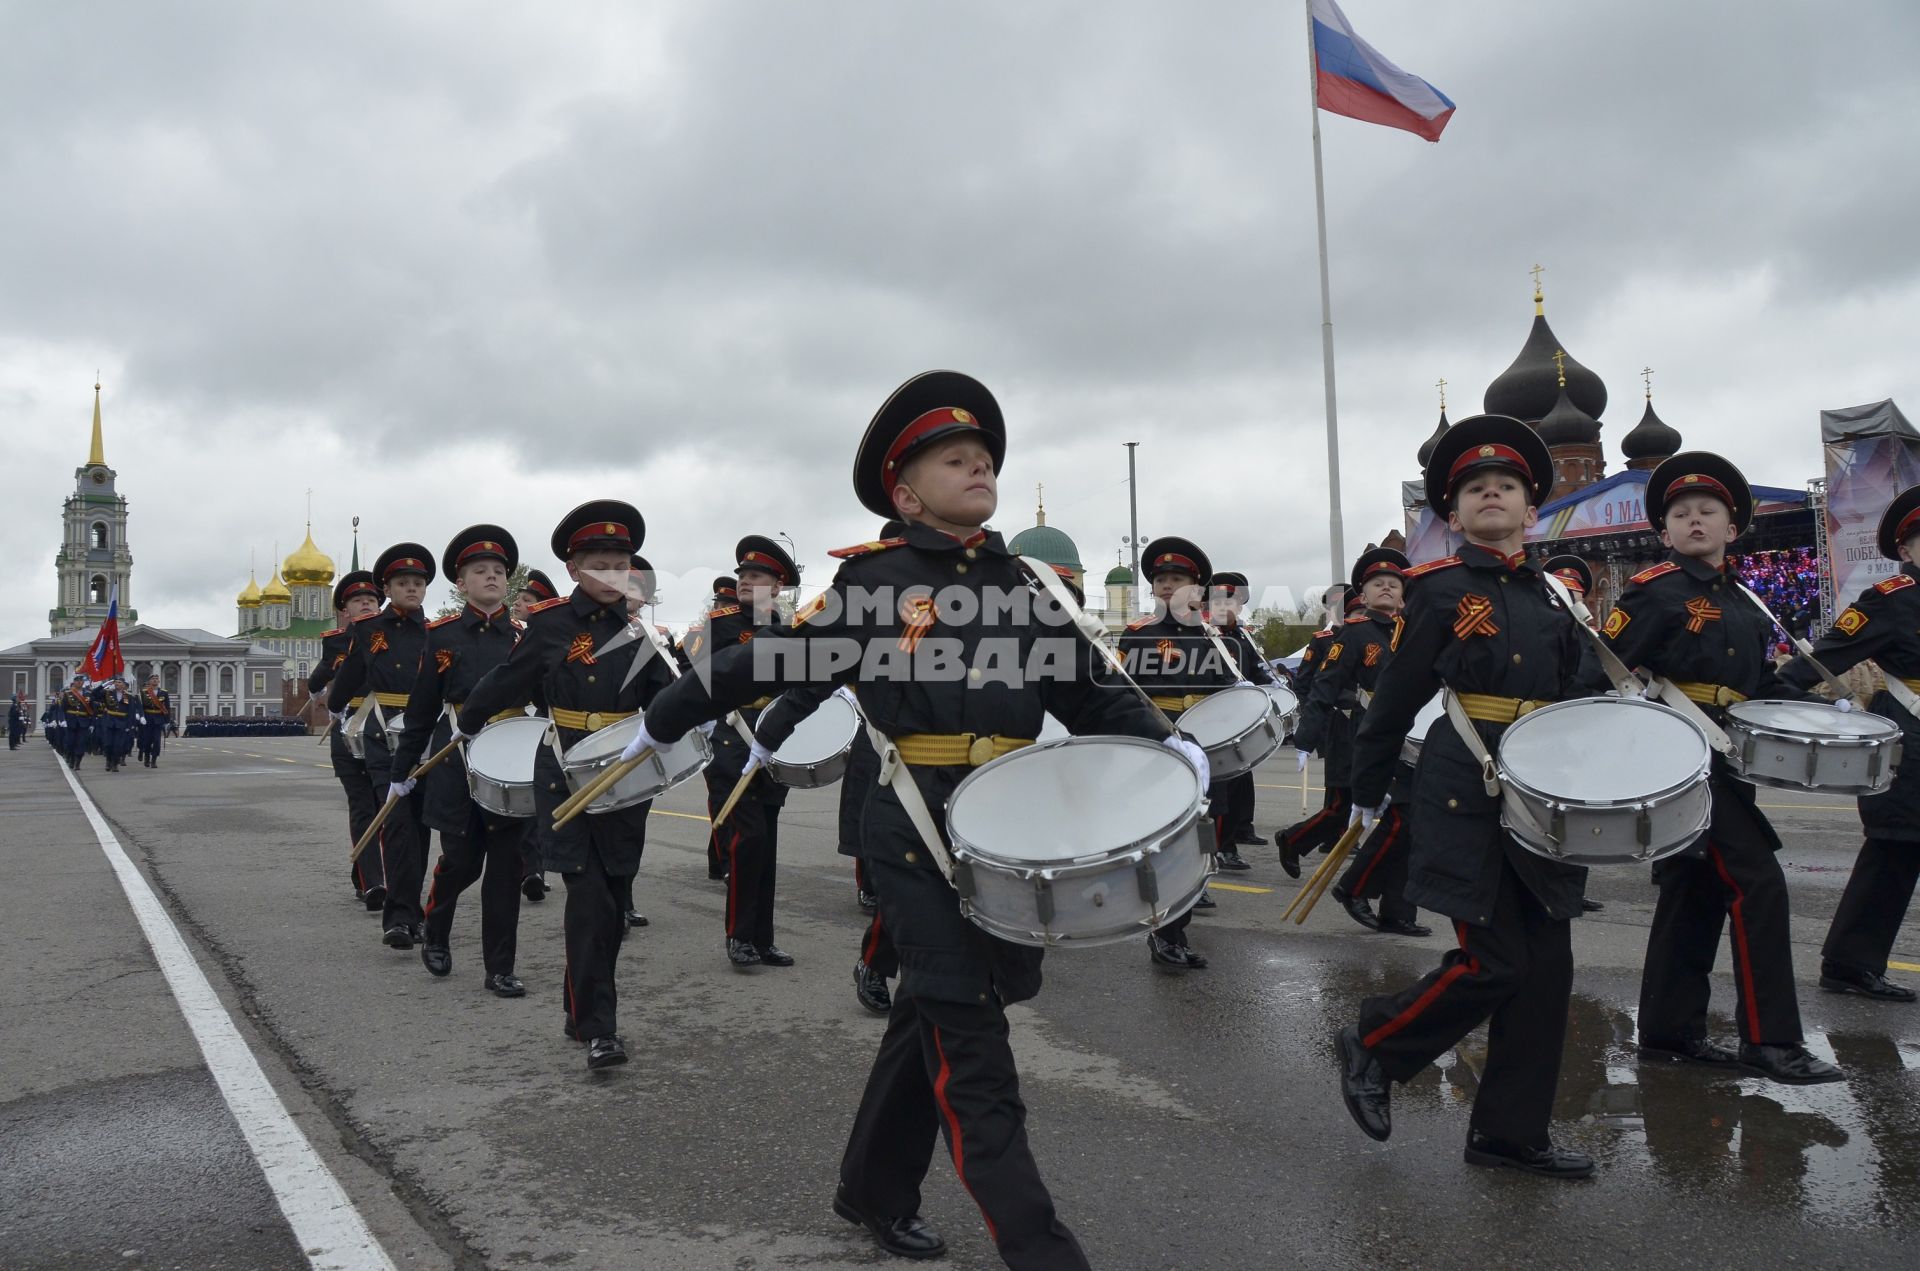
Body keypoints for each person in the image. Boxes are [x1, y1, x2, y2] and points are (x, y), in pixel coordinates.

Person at [620, 371, 1189, 1268]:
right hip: (913, 828)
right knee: (972, 1042)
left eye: (985, 458)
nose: (979, 468)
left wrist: (1168, 745)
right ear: (905, 489)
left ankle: (871, 1187)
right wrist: (667, 712)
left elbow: (1089, 690)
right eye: (954, 459)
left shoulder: (1023, 581)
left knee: (937, 1003)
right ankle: (1042, 1249)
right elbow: (778, 659)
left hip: (1007, 828)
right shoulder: (874, 582)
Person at [1335, 414, 1595, 1179]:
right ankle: (1375, 1044)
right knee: (1493, 962)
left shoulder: (1556, 597)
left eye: (1506, 485)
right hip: (1465, 787)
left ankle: (1509, 1135)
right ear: (1453, 516)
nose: (1491, 493)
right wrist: (1368, 788)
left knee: (1546, 969)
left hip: (1543, 792)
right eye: (1475, 487)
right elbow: (1396, 697)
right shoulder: (1441, 589)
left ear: (1532, 509)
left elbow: (1581, 690)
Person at [1598, 452, 1844, 1085]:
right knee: (1758, 884)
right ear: (1665, 532)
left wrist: (1822, 712)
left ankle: (1667, 1031)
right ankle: (1770, 1042)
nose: (1695, 520)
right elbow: (1602, 670)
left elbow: (1755, 685)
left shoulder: (1743, 600)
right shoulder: (1655, 592)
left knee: (1695, 889)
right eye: (1681, 514)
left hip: (1724, 759)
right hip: (1681, 758)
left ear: (1733, 529)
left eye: (1709, 512)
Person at [454, 501, 675, 1071]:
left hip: (626, 776)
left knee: (614, 898)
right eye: (597, 563)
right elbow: (510, 678)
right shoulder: (551, 625)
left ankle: (582, 1010)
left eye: (620, 563)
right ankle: (601, 1028)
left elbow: (670, 696)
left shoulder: (638, 629)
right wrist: (469, 722)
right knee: (589, 897)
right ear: (575, 569)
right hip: (566, 771)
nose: (610, 573)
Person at [1779, 485, 1920, 1004]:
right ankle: (1850, 965)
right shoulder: (1889, 603)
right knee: (1895, 850)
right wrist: (1773, 693)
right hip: (1911, 740)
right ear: (1905, 552)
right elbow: (1826, 657)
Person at [392, 526, 529, 997]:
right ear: (461, 584)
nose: (491, 577)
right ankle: (436, 926)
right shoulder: (442, 637)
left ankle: (500, 967)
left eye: (498, 572)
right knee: (463, 863)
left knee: (508, 868)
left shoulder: (526, 637)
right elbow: (422, 708)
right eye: (479, 571)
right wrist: (402, 770)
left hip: (513, 763)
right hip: (456, 759)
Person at [1296, 547, 1429, 936]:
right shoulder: (1354, 634)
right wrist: (1306, 738)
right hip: (1374, 735)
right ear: (1364, 594)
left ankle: (1397, 910)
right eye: (1377, 584)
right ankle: (1355, 888)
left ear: (1403, 594)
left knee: (1410, 823)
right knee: (1403, 818)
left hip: (1418, 738)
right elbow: (1324, 686)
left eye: (1394, 584)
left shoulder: (1418, 630)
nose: (1386, 588)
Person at [1118, 535, 1236, 969]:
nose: (1168, 586)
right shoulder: (1137, 636)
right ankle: (1164, 934)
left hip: (1202, 746)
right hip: (1157, 743)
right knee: (1165, 843)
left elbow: (1229, 692)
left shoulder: (1214, 636)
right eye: (1161, 579)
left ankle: (1174, 928)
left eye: (1178, 578)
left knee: (1199, 843)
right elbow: (1120, 692)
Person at [327, 543, 437, 948]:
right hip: (383, 739)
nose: (411, 588)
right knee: (397, 826)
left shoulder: (436, 633)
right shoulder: (369, 630)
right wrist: (339, 710)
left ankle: (416, 912)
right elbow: (349, 679)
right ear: (388, 588)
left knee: (421, 830)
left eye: (418, 582)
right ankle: (399, 918)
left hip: (425, 738)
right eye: (402, 582)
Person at [310, 569, 386, 909]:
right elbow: (316, 684)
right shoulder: (337, 643)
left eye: (371, 599)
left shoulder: (395, 637)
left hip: (386, 730)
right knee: (362, 806)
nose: (366, 603)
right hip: (349, 730)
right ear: (346, 610)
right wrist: (327, 699)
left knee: (386, 807)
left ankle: (367, 874)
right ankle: (374, 883)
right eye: (358, 600)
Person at [1279, 589, 1363, 874]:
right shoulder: (1324, 640)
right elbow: (1304, 684)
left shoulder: (1381, 636)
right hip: (1336, 720)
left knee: (1355, 789)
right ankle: (1311, 837)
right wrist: (1316, 721)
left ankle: (1332, 835)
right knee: (1342, 790)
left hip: (1367, 721)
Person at [1543, 554, 1607, 915]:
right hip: (1550, 733)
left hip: (1584, 735)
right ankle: (1556, 889)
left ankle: (1573, 889)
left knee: (1582, 818)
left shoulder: (1592, 637)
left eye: (1574, 593)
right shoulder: (1541, 631)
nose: (1568, 598)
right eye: (1562, 592)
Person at [1206, 570, 1279, 859]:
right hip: (1216, 718)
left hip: (1242, 718)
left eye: (1231, 602)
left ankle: (1240, 829)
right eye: (1218, 602)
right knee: (1222, 789)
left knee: (1241, 779)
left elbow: (1256, 669)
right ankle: (1225, 847)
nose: (1225, 607)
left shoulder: (1242, 636)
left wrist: (1271, 683)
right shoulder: (1205, 634)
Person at [509, 567, 561, 901]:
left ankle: (535, 870)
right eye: (519, 597)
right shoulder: (507, 633)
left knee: (540, 800)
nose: (518, 602)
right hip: (512, 724)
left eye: (527, 599)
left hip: (543, 723)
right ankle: (529, 868)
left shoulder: (554, 639)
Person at [136, 674, 174, 767]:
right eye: (153, 679)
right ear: (149, 681)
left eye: (156, 679)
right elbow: (140, 706)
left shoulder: (164, 692)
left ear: (159, 681)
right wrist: (141, 716)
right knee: (147, 740)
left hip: (158, 719)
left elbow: (167, 707)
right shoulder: (144, 692)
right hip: (147, 719)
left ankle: (154, 760)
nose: (155, 680)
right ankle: (147, 757)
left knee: (157, 741)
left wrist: (167, 721)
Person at [60, 675, 95, 769]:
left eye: (81, 681)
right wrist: (63, 720)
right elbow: (63, 709)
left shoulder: (88, 694)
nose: (79, 682)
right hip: (71, 721)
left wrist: (92, 723)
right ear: (74, 682)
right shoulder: (68, 694)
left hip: (83, 722)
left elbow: (92, 710)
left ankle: (78, 761)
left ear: (83, 683)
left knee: (81, 743)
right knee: (70, 742)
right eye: (77, 681)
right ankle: (71, 759)